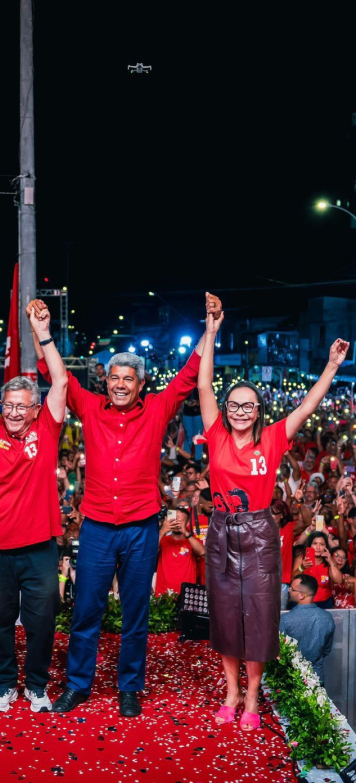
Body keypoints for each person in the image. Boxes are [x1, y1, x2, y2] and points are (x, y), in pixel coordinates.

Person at [42, 292, 223, 719]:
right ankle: (77, 686)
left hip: (142, 528)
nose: (120, 384)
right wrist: (42, 331)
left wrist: (210, 327)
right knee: (86, 609)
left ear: (141, 384)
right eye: (114, 378)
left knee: (135, 613)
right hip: (98, 529)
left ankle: (129, 687)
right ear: (106, 381)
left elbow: (190, 373)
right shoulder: (88, 407)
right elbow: (57, 375)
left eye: (129, 379)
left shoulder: (158, 409)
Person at [198, 300, 348, 731]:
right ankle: (230, 691)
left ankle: (251, 697)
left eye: (248, 406)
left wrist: (332, 366)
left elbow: (308, 404)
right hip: (222, 532)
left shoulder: (275, 437)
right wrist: (210, 331)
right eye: (234, 405)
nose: (239, 411)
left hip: (261, 535)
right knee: (226, 616)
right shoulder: (215, 434)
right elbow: (205, 385)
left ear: (259, 411)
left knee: (258, 617)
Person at [0, 302, 67, 714]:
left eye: (23, 406)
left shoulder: (48, 427)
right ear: (2, 405)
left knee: (42, 623)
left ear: (35, 409)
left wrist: (43, 331)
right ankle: (4, 685)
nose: (16, 412)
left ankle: (36, 686)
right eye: (10, 405)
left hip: (40, 547)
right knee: (0, 622)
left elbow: (59, 381)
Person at [280, 574, 336, 685]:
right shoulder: (327, 618)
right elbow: (326, 650)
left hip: (291, 680)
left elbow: (280, 652)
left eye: (292, 588)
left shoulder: (285, 620)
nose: (289, 590)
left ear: (302, 595)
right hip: (317, 679)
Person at [154, 507, 204, 595]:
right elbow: (149, 552)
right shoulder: (162, 540)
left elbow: (202, 552)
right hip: (164, 593)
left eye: (180, 520)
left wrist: (186, 533)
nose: (176, 523)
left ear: (187, 523)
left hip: (186, 594)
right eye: (174, 519)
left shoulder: (191, 540)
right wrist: (162, 531)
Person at [293, 531, 343, 609]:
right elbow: (292, 579)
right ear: (310, 545)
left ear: (326, 547)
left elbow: (338, 580)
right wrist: (302, 567)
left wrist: (330, 561)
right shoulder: (301, 558)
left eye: (322, 544)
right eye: (315, 544)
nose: (318, 547)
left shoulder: (329, 560)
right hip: (304, 601)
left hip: (325, 602)